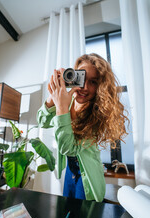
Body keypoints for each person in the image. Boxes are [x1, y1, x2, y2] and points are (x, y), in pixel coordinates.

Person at [37, 53, 129, 202]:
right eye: (81, 78)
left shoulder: (96, 114)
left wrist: (61, 107)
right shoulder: (68, 100)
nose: (84, 87)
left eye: (93, 82)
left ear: (100, 86)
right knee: (67, 212)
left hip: (88, 176)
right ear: (73, 77)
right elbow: (42, 121)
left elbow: (68, 148)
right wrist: (53, 95)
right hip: (70, 172)